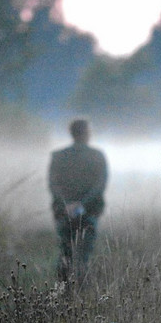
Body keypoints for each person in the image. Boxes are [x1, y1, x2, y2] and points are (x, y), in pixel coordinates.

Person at [48, 119, 108, 284]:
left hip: (63, 212)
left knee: (65, 253)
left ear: (71, 133)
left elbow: (53, 185)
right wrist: (82, 204)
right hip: (89, 211)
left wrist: (66, 204)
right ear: (87, 133)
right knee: (83, 255)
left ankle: (63, 292)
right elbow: (99, 186)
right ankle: (82, 294)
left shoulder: (58, 156)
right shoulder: (97, 156)